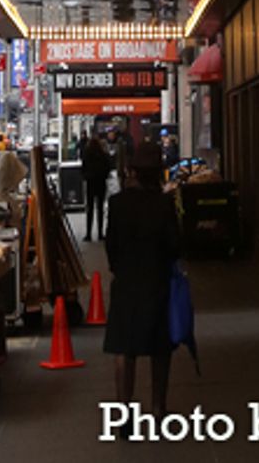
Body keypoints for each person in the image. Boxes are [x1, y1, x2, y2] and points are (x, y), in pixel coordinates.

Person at [103, 141, 180, 424]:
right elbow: (175, 245)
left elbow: (111, 245)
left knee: (125, 348)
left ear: (133, 172)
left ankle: (124, 414)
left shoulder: (118, 204)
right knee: (160, 348)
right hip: (156, 281)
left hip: (126, 283)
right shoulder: (164, 204)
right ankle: (159, 408)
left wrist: (119, 269)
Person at [81, 127, 111, 241]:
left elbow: (83, 168)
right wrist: (103, 176)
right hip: (101, 183)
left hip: (90, 183)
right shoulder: (102, 154)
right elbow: (108, 167)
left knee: (90, 208)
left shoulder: (87, 154)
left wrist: (86, 176)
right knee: (100, 208)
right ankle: (100, 233)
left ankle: (88, 233)